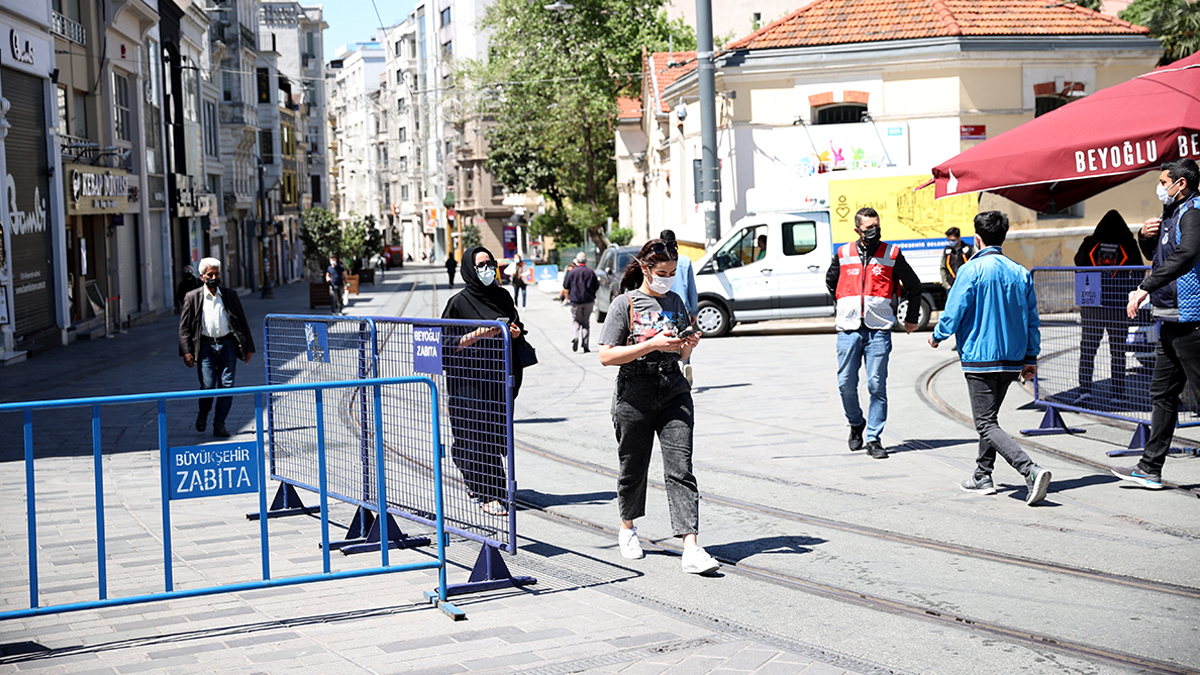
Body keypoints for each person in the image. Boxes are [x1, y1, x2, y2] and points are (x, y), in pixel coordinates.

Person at [598, 238, 717, 575]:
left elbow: (680, 354)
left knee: (681, 467)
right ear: (646, 270)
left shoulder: (676, 301)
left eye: (672, 273)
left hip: (673, 388)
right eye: (661, 272)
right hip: (634, 391)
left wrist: (688, 344)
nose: (667, 278)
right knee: (633, 466)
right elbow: (606, 355)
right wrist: (649, 343)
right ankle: (628, 528)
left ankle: (691, 547)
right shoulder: (625, 304)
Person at [929, 211, 1052, 505]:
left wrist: (938, 335)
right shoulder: (1019, 271)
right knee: (991, 419)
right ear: (1004, 236)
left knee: (984, 423)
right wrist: (1031, 357)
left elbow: (955, 310)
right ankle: (982, 474)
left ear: (977, 238)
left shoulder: (970, 271)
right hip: (1012, 358)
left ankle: (1029, 470)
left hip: (980, 358)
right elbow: (1032, 319)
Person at [1114, 159, 1200, 490]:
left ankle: (1150, 466)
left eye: (1165, 181)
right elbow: (1160, 256)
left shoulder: (1193, 212)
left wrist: (1144, 287)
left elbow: (1188, 253)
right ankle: (1150, 468)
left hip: (1191, 321)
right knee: (1162, 394)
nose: (1160, 186)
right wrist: (1144, 237)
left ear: (1181, 184)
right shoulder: (1171, 214)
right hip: (1169, 320)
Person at [825, 207, 922, 459]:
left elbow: (913, 285)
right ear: (858, 230)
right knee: (845, 383)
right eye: (869, 228)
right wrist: (847, 304)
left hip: (879, 329)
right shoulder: (843, 253)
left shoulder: (891, 253)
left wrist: (910, 318)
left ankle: (874, 438)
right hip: (848, 330)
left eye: (877, 225)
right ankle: (856, 423)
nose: (874, 231)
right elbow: (831, 281)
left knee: (876, 384)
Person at [442, 246, 529, 516]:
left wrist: (513, 332)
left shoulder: (502, 296)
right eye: (481, 265)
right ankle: (487, 493)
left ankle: (490, 486)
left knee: (494, 434)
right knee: (475, 436)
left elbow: (517, 326)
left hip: (498, 378)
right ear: (469, 268)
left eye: (490, 263)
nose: (487, 269)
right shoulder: (458, 303)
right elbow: (445, 344)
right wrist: (478, 334)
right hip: (468, 383)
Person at [178, 258, 255, 438]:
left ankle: (220, 422)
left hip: (227, 344)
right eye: (210, 274)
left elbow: (242, 321)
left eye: (216, 274)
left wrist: (248, 347)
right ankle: (204, 411)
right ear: (202, 276)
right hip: (205, 345)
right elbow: (184, 328)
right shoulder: (192, 297)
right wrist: (186, 351)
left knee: (227, 386)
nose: (214, 277)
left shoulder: (229, 295)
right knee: (208, 385)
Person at [1073, 209, 1143, 399]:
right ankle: (1117, 393)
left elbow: (1078, 261)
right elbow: (1138, 271)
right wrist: (1127, 288)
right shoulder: (1128, 244)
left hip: (1092, 302)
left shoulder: (1090, 243)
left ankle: (1085, 389)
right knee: (1118, 349)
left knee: (1088, 348)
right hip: (1118, 303)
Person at [661, 229, 698, 385]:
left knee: (667, 339)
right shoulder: (685, 261)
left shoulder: (659, 262)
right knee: (685, 337)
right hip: (683, 307)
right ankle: (685, 363)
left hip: (664, 307)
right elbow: (692, 289)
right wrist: (694, 311)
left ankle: (669, 371)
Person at [561, 252, 599, 353]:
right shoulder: (590, 272)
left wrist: (567, 298)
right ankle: (585, 345)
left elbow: (565, 286)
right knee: (586, 323)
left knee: (576, 320)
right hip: (588, 301)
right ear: (586, 261)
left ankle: (575, 336)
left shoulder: (572, 272)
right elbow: (596, 286)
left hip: (575, 301)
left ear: (577, 261)